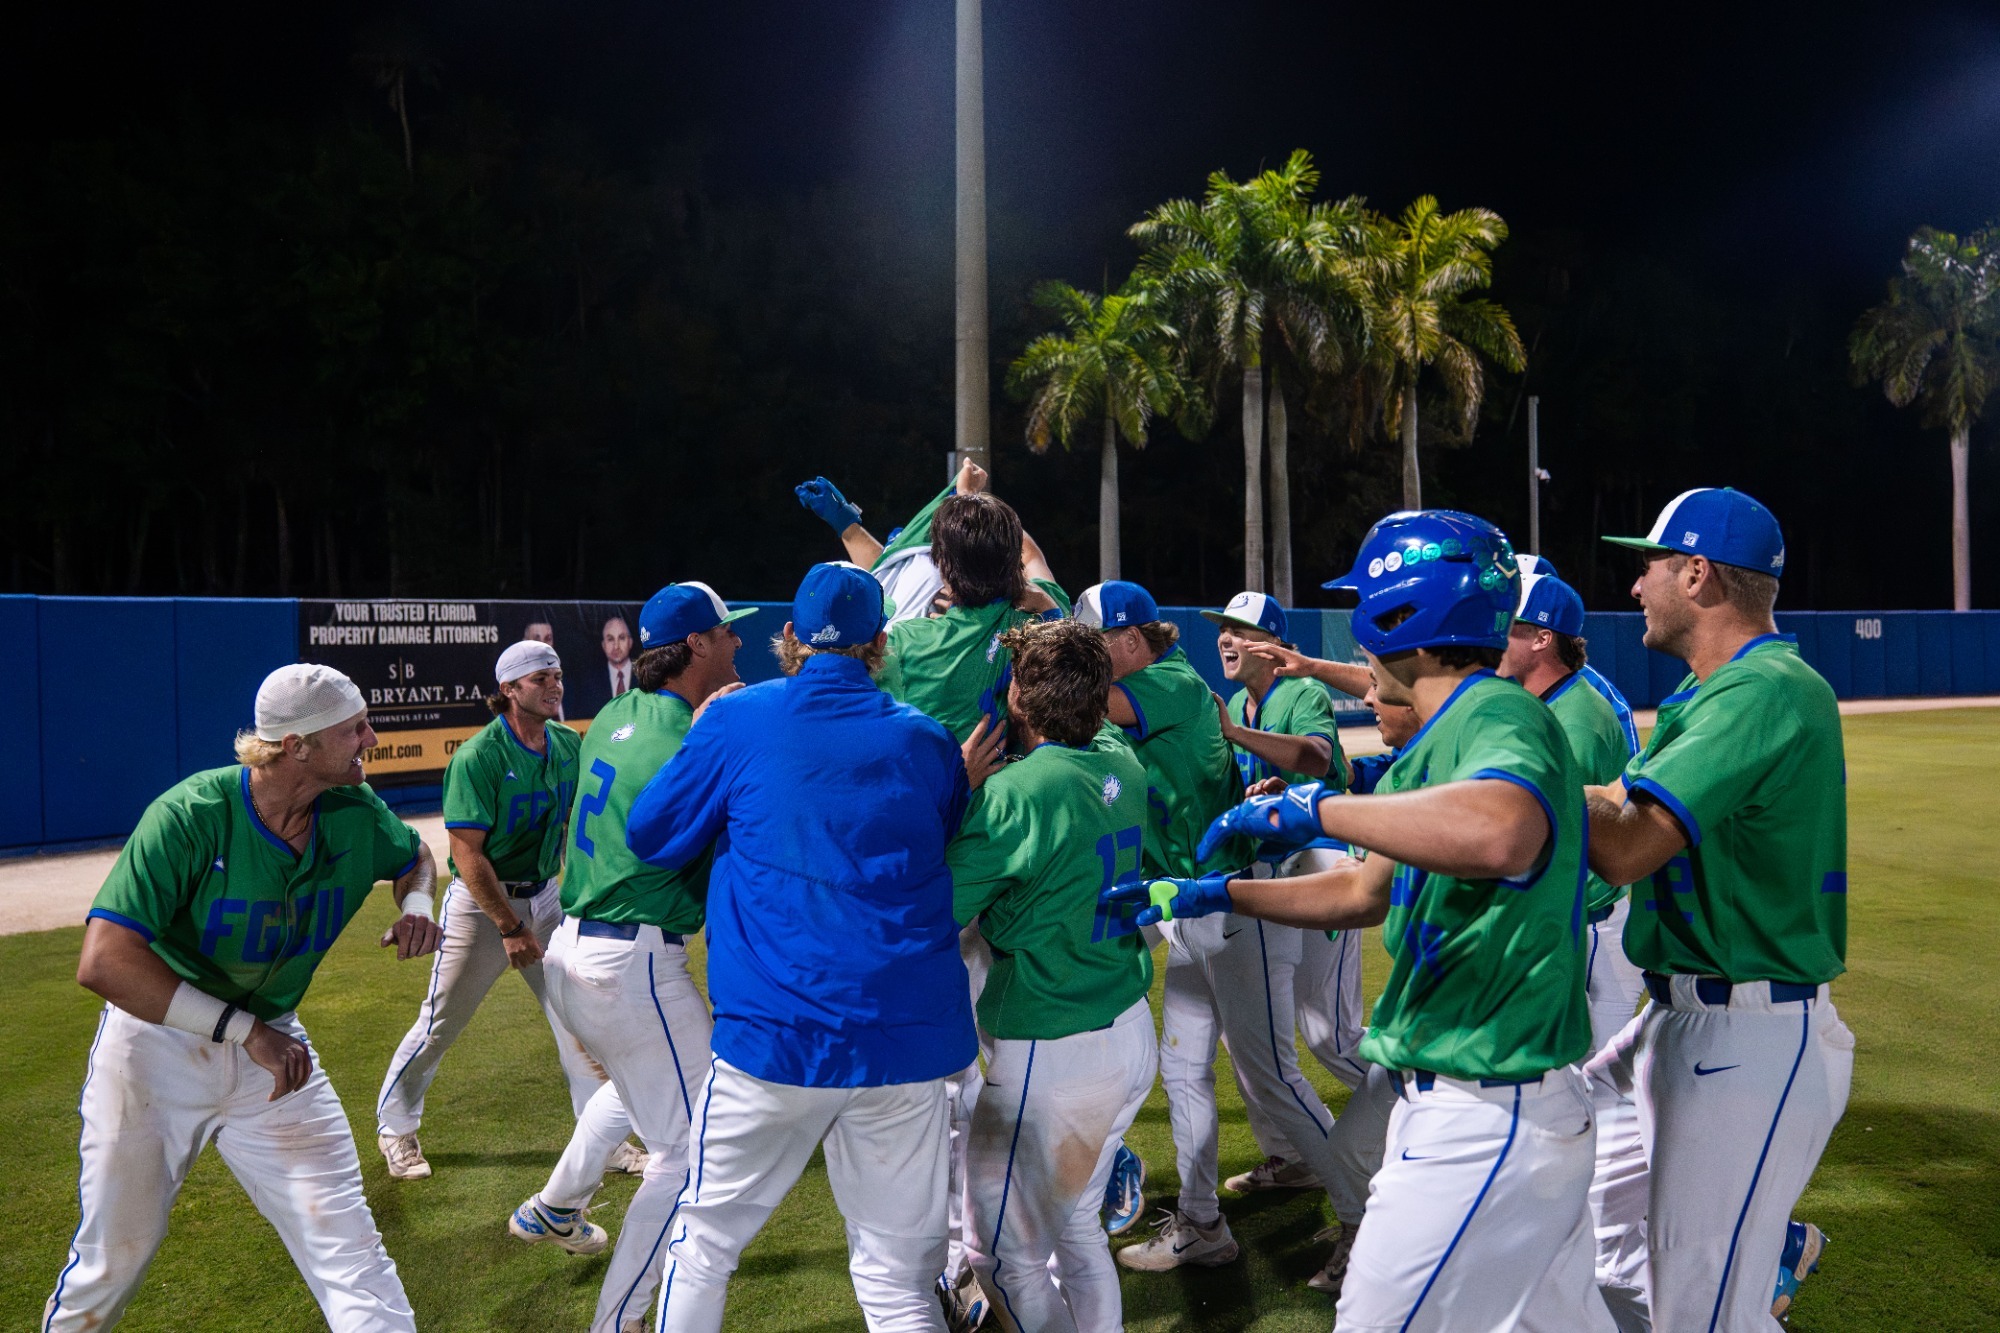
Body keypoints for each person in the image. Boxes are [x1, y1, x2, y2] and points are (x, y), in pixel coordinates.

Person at [1120, 510, 1612, 1332]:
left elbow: (1504, 831)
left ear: (1399, 617)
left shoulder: (1496, 712)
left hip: (1487, 1105)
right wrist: (1217, 893)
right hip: (1477, 1094)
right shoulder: (1449, 729)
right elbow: (1360, 892)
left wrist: (1321, 809)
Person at [628, 562, 998, 1333]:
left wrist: (703, 748)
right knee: (898, 1283)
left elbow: (652, 834)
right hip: (904, 1043)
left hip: (776, 1038)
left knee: (703, 1247)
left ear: (791, 636)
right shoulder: (926, 739)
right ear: (880, 643)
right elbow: (939, 824)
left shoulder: (739, 719)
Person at [44, 665, 442, 1333]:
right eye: (354, 729)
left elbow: (416, 856)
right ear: (297, 746)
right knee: (112, 1260)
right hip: (158, 1048)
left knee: (350, 1254)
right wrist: (244, 1030)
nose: (372, 739)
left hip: (273, 1053)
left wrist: (418, 905)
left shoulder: (354, 809)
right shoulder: (191, 814)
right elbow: (104, 960)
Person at [1587, 488, 1850, 1332]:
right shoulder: (1714, 690)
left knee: (1702, 1315)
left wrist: (1518, 780)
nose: (1638, 586)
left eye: (1650, 566)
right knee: (1599, 1253)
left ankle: (1755, 1255)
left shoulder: (1763, 689)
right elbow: (1612, 800)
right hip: (1678, 1016)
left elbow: (1625, 845)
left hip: (1745, 1034)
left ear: (1697, 574)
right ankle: (1763, 1246)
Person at [507, 583, 757, 1333]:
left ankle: (555, 1204)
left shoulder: (617, 714)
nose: (738, 641)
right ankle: (618, 1320)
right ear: (697, 646)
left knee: (642, 1085)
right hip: (632, 963)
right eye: (727, 631)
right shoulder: (690, 734)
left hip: (576, 951)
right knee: (692, 1152)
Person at [1109, 589, 1356, 1294]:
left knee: (1299, 1057)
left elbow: (1317, 758)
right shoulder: (1239, 703)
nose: (1227, 638)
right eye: (1222, 627)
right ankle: (1201, 1220)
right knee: (1188, 1068)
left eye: (1242, 630)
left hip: (1286, 883)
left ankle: (1367, 1211)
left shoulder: (1284, 694)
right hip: (1212, 896)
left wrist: (1242, 745)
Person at [947, 619, 1157, 1333]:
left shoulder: (1015, 795)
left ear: (1019, 696)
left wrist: (956, 790)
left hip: (1053, 1049)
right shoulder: (1122, 760)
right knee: (1076, 1230)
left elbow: (933, 911)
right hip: (1128, 1028)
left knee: (1001, 1258)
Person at [375, 640, 604, 1180]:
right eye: (540, 678)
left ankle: (602, 1137)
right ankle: (395, 1127)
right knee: (440, 1022)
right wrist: (510, 925)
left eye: (557, 675)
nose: (554, 686)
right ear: (508, 689)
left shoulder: (566, 743)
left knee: (579, 1018)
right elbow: (466, 854)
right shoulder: (479, 756)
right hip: (482, 908)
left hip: (546, 895)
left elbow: (581, 820)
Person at [1499, 559, 1644, 1051]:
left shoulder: (1575, 720)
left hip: (1592, 931)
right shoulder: (1551, 701)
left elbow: (1565, 842)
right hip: (1579, 923)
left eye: (1510, 626)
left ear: (1543, 638)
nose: (1497, 635)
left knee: (1594, 1080)